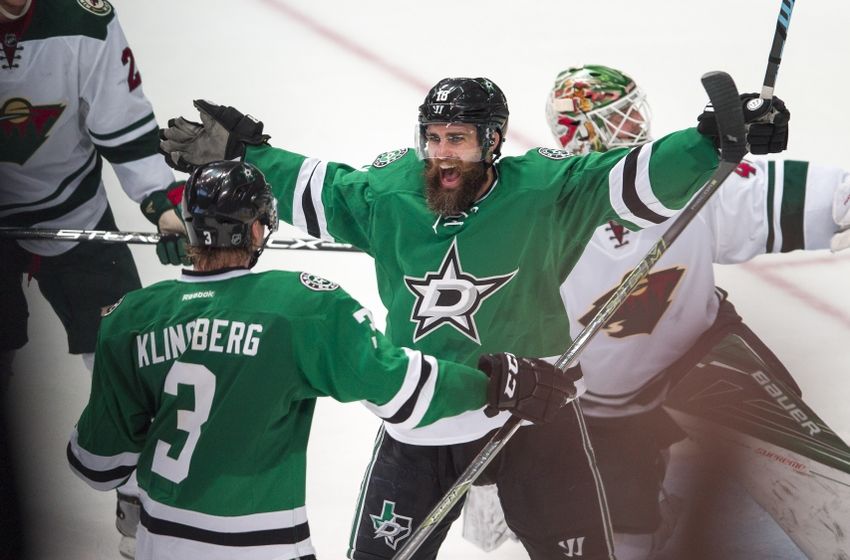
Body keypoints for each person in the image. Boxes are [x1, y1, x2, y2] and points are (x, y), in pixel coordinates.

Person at [158, 75, 790, 560]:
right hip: (421, 418)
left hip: (535, 412)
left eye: (456, 139)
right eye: (432, 138)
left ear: (492, 142)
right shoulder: (391, 194)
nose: (441, 154)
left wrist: (711, 142)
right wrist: (247, 152)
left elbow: (633, 175)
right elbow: (315, 186)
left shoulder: (543, 191)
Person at [66, 160, 575, 560]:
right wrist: (492, 386)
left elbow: (96, 464)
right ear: (258, 232)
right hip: (261, 545)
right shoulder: (302, 306)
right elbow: (400, 390)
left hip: (161, 541)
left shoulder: (131, 318)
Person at [463, 64, 850, 559]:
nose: (635, 126)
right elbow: (484, 328)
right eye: (619, 118)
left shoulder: (689, 177)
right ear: (581, 131)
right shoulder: (537, 213)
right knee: (628, 545)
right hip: (587, 411)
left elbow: (807, 198)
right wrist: (487, 442)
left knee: (788, 465)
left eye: (633, 112)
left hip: (702, 359)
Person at [0, 0, 188, 557]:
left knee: (130, 355)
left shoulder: (83, 17)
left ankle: (140, 512)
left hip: (74, 214)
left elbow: (122, 119)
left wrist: (162, 202)